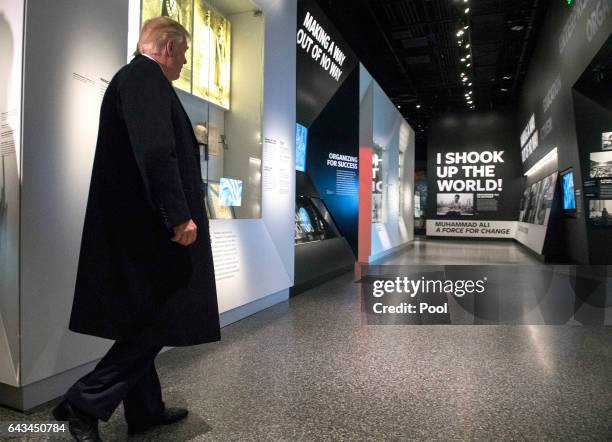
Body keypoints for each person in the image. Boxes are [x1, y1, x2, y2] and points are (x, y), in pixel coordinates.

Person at [51, 17, 220, 442]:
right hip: (149, 233)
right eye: (182, 54)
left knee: (146, 320)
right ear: (165, 47)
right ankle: (84, 400)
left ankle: (144, 409)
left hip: (137, 232)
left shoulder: (137, 79)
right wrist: (179, 216)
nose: (182, 62)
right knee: (158, 319)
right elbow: (157, 153)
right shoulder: (145, 78)